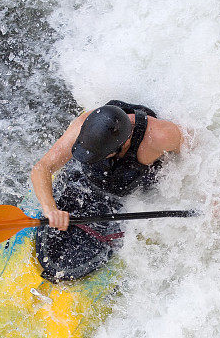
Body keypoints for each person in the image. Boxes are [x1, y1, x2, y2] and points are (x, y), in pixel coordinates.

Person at [30, 100, 183, 282]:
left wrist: (214, 196)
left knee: (71, 263)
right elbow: (42, 168)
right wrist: (50, 209)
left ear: (123, 144)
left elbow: (197, 156)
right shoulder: (83, 124)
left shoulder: (160, 136)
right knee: (53, 253)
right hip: (85, 180)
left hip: (127, 189)